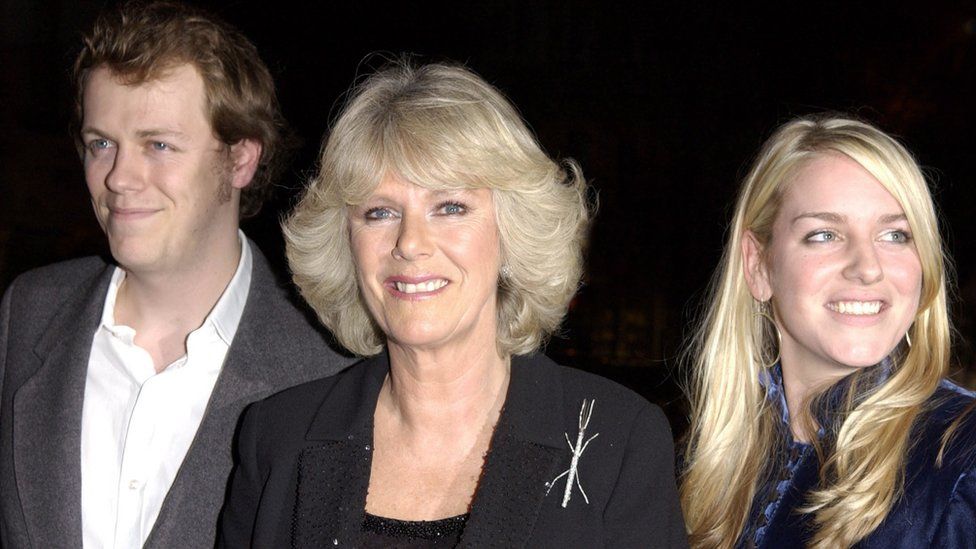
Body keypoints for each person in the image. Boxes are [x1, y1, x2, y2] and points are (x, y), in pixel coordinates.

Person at [219, 61, 687, 548]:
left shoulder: (617, 443)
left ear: (510, 232)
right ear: (345, 243)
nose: (411, 243)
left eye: (450, 208)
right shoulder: (278, 439)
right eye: (380, 212)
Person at [0, 2, 350, 547]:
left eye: (158, 145)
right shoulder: (28, 312)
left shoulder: (327, 365)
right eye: (102, 144)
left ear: (240, 160)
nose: (119, 178)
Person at [679, 115, 976, 548]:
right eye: (825, 234)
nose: (867, 267)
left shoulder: (962, 460)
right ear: (758, 265)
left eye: (895, 234)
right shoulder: (697, 465)